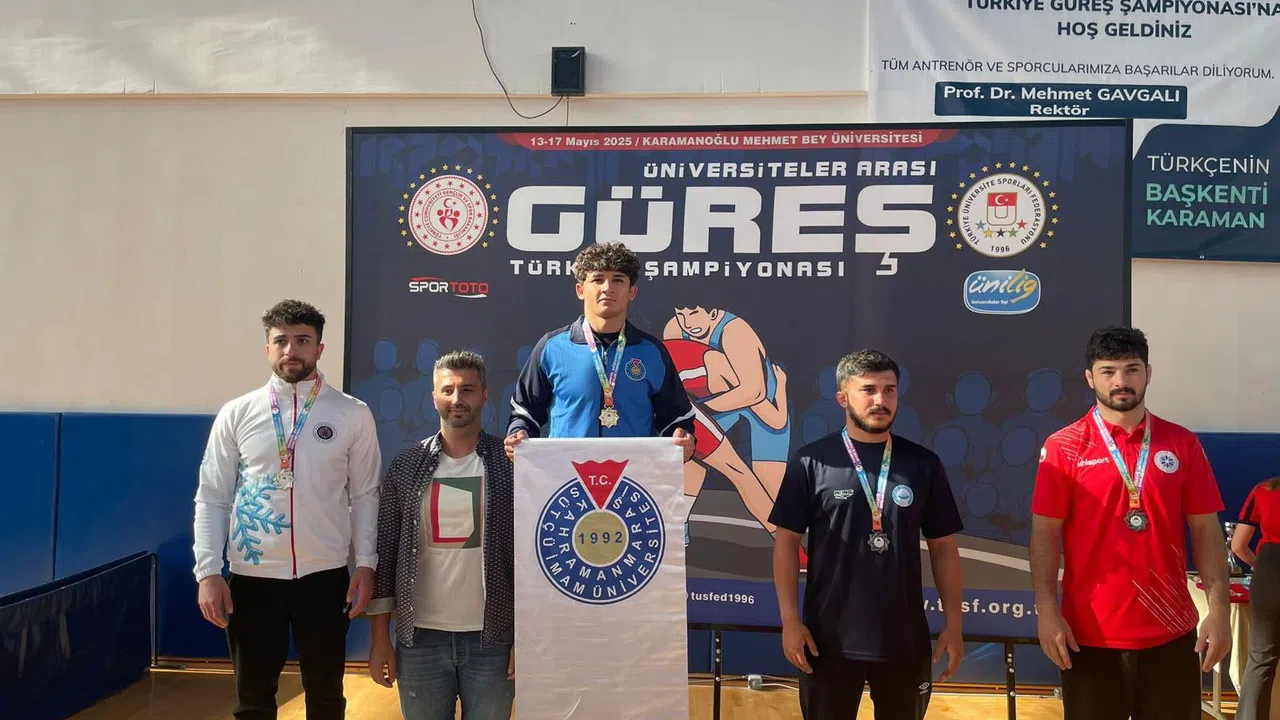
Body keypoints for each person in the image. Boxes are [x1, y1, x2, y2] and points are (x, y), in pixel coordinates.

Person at [192, 299, 382, 720]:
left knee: (326, 697)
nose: (291, 350)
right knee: (252, 701)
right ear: (267, 348)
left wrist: (366, 564)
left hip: (325, 578)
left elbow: (366, 494)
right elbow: (212, 496)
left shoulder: (352, 414)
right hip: (252, 578)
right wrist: (207, 571)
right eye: (281, 341)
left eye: (302, 340)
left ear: (320, 348)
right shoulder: (237, 413)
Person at [1029, 326, 1231, 720]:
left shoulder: (1182, 443)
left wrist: (1219, 611)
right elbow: (1044, 534)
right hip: (1089, 635)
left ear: (1148, 373)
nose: (1121, 381)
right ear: (1090, 378)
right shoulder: (1064, 446)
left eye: (1132, 369)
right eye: (1108, 371)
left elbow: (1206, 531)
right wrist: (1046, 611)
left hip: (1171, 631)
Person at [770, 349, 965, 720]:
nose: (880, 400)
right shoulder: (810, 462)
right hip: (827, 643)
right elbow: (786, 544)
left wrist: (954, 625)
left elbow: (944, 549)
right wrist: (790, 622)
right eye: (869, 390)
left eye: (889, 390)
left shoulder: (923, 464)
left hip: (904, 642)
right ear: (843, 398)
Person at [366, 350, 515, 720]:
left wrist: (525, 638)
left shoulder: (510, 464)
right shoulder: (407, 464)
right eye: (447, 390)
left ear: (485, 396)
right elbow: (386, 552)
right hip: (420, 640)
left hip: (493, 639)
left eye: (468, 389)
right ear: (434, 398)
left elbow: (529, 557)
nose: (457, 398)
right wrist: (380, 638)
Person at [505, 241, 696, 461]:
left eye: (618, 280)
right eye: (597, 279)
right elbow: (525, 411)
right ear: (580, 290)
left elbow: (677, 416)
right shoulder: (552, 347)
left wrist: (682, 437)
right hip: (566, 474)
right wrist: (519, 433)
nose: (607, 288)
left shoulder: (651, 351)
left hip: (634, 474)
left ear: (632, 291)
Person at [1230, 477, 1280, 720]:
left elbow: (1238, 545)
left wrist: (1260, 567)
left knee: (1261, 659)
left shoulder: (1263, 490)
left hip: (1269, 572)